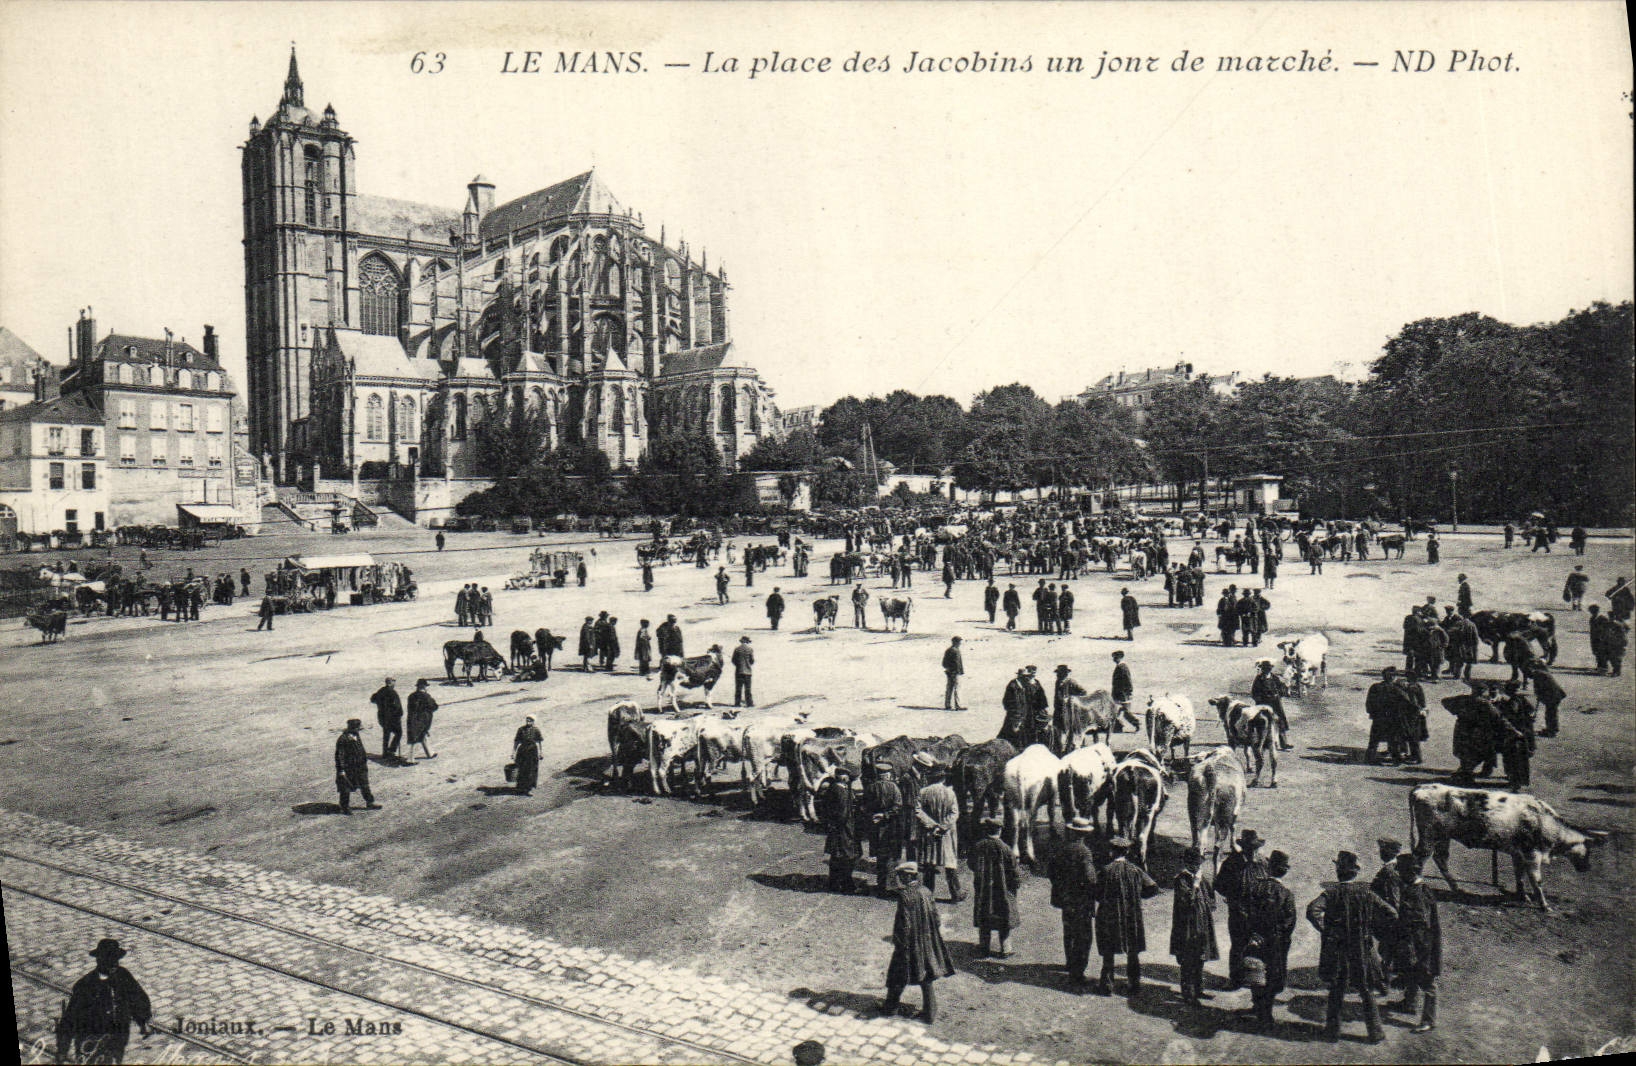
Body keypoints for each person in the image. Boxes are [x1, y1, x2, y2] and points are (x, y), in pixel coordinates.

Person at [1307, 849, 1396, 1044]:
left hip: (1338, 950)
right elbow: (1391, 913)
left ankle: (1332, 1032)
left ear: (1338, 871)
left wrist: (1326, 930)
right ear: (1355, 872)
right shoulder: (1366, 893)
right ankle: (1376, 1033)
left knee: (1337, 990)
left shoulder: (1330, 893)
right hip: (1361, 949)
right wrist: (1370, 927)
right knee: (1366, 990)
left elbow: (1312, 911)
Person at [879, 862, 956, 1024]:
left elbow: (904, 924)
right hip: (926, 941)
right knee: (926, 976)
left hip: (909, 944)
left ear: (908, 876)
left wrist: (900, 943)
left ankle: (890, 1007)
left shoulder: (905, 896)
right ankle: (930, 1013)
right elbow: (936, 918)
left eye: (901, 876)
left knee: (896, 975)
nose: (899, 879)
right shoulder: (926, 891)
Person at [57, 939, 152, 1064]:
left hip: (117, 1039)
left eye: (116, 960)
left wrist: (143, 1020)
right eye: (110, 961)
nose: (114, 965)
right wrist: (62, 1051)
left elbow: (138, 998)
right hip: (91, 1042)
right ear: (99, 960)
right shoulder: (85, 985)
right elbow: (70, 1018)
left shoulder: (123, 975)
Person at [1095, 835, 1160, 997]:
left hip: (1110, 916)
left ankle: (1107, 985)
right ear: (1127, 851)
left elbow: (1095, 891)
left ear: (1112, 852)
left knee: (1108, 952)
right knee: (1133, 951)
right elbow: (1152, 887)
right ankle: (1134, 984)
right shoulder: (1136, 871)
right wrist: (1138, 896)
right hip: (1131, 916)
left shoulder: (1105, 870)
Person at [1243, 849, 1296, 1029]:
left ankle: (1257, 1006)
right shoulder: (1286, 894)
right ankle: (1266, 1014)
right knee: (1273, 976)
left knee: (1256, 971)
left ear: (1268, 868)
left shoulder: (1255, 887)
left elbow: (1245, 911)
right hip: (1275, 943)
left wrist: (1253, 933)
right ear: (1285, 871)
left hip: (1255, 939)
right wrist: (1277, 937)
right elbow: (1289, 921)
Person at [1391, 852, 1441, 1033]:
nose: (1399, 875)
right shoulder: (1420, 889)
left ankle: (1429, 1019)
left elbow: (1420, 927)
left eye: (1401, 872)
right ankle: (1409, 1003)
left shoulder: (1417, 895)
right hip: (1417, 943)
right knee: (1411, 972)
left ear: (1410, 873)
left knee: (1427, 981)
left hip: (1421, 945)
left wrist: (1414, 951)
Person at [1049, 816, 1100, 989]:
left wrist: (1061, 887)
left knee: (1068, 931)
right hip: (1081, 901)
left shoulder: (1062, 849)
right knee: (1083, 936)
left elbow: (1052, 871)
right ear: (1084, 834)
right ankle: (1078, 973)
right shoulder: (1084, 851)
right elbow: (1089, 877)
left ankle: (1070, 963)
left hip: (1065, 899)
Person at [1217, 828, 1267, 989]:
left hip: (1258, 912)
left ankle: (1254, 977)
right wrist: (1232, 898)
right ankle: (1235, 979)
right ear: (1243, 847)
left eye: (1254, 848)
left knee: (1258, 944)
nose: (1252, 852)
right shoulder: (1231, 863)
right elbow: (1218, 885)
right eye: (1249, 848)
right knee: (1238, 945)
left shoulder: (1264, 864)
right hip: (1238, 912)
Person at [1170, 846, 1219, 1006]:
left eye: (1198, 864)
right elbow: (1186, 902)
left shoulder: (1201, 879)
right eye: (1194, 864)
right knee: (1188, 960)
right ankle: (1188, 993)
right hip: (1187, 926)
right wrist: (1196, 886)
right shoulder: (1181, 880)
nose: (1197, 867)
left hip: (1202, 925)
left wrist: (1209, 902)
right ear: (1187, 864)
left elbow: (1211, 899)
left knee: (1200, 958)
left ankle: (1198, 989)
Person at [969, 816, 1020, 956]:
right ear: (1000, 830)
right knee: (1004, 916)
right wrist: (1015, 884)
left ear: (987, 830)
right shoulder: (1006, 848)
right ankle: (1005, 948)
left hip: (984, 889)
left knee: (984, 915)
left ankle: (984, 947)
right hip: (1002, 891)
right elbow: (1014, 871)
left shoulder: (979, 846)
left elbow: (971, 864)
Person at [914, 756, 963, 901]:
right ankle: (956, 893)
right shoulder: (950, 793)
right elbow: (954, 813)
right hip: (946, 834)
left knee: (930, 863)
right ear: (943, 778)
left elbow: (918, 811)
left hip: (929, 833)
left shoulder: (923, 792)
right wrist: (942, 826)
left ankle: (929, 895)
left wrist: (932, 825)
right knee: (950, 863)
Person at [865, 761, 907, 895]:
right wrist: (885, 814)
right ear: (888, 775)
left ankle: (880, 883)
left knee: (880, 856)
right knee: (891, 856)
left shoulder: (871, 788)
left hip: (875, 827)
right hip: (891, 827)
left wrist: (874, 815)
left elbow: (864, 806)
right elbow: (898, 806)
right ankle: (890, 886)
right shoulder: (894, 788)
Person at [1369, 839, 1405, 994]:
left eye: (1382, 850)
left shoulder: (1389, 872)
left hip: (1388, 920)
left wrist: (1392, 921)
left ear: (1387, 852)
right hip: (1390, 918)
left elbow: (1394, 900)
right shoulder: (1396, 868)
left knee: (1386, 951)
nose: (1379, 852)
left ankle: (1384, 983)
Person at [818, 769, 861, 894]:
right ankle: (847, 885)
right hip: (843, 829)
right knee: (847, 856)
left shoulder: (837, 789)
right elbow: (843, 813)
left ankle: (835, 883)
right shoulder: (840, 791)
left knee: (837, 856)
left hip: (837, 828)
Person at [1365, 667, 1411, 764]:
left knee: (1374, 739)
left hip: (1378, 717)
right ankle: (1396, 760)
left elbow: (1369, 702)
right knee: (1394, 739)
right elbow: (1407, 702)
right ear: (1393, 677)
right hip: (1393, 718)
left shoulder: (1375, 687)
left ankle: (1370, 758)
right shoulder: (1397, 689)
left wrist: (1371, 713)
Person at [1498, 680, 1536, 790]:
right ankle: (1518, 779)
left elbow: (1511, 715)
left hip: (1515, 733)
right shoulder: (1521, 699)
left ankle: (1515, 781)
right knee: (1520, 757)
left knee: (1513, 757)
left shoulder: (1512, 702)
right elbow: (1531, 709)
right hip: (1524, 732)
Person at [334, 718, 377, 813]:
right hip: (348, 768)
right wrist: (341, 770)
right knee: (346, 788)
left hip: (360, 767)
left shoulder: (356, 735)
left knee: (365, 785)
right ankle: (344, 807)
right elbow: (339, 756)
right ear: (353, 728)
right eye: (358, 728)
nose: (359, 730)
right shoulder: (343, 739)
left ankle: (370, 802)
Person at [1251, 659, 1292, 750]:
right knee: (1262, 722)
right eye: (1265, 669)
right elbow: (1254, 693)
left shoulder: (1274, 678)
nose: (1267, 670)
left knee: (1280, 721)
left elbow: (1282, 688)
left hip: (1275, 703)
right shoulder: (1259, 679)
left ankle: (1284, 743)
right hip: (1263, 704)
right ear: (1262, 669)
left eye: (1268, 668)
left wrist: (1279, 694)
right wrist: (1261, 699)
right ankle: (1262, 742)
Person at [1528, 660, 1566, 737]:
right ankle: (1553, 728)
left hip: (1553, 696)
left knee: (1550, 713)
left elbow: (1539, 688)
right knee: (1552, 712)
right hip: (1555, 695)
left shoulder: (1538, 674)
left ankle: (1551, 731)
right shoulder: (1544, 672)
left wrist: (1539, 695)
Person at [370, 677, 403, 763]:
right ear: (391, 683)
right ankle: (391, 751)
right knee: (399, 733)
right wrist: (400, 714)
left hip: (382, 717)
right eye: (394, 682)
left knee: (386, 734)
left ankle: (385, 753)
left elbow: (373, 699)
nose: (395, 683)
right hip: (392, 718)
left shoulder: (381, 691)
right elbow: (397, 706)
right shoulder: (392, 693)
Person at [405, 679, 438, 761]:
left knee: (421, 736)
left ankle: (430, 753)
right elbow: (434, 706)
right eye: (426, 686)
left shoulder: (411, 696)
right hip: (422, 720)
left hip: (411, 719)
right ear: (423, 687)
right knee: (415, 739)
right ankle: (410, 760)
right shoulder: (426, 696)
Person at [512, 715, 543, 795]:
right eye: (527, 720)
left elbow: (539, 742)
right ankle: (521, 788)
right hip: (522, 751)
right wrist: (513, 752)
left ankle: (529, 788)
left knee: (531, 770)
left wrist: (541, 752)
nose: (528, 722)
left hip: (532, 752)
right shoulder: (521, 730)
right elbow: (517, 742)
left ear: (533, 721)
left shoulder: (536, 730)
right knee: (522, 769)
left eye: (530, 720)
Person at [999, 668, 1031, 746]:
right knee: (1011, 736)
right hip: (1014, 718)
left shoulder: (1022, 686)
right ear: (1020, 677)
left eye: (1027, 676)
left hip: (1021, 717)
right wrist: (1015, 715)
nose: (1027, 678)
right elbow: (1007, 702)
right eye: (1025, 676)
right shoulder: (1012, 686)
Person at [1111, 651, 1140, 732]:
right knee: (1116, 711)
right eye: (1113, 657)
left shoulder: (1122, 667)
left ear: (1120, 657)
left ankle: (1137, 723)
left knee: (1126, 712)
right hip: (1119, 693)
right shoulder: (1120, 666)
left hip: (1123, 694)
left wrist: (1129, 691)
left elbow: (1128, 680)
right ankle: (1118, 726)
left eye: (1115, 657)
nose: (1114, 659)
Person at [941, 636, 965, 711]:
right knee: (956, 688)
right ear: (955, 642)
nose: (960, 643)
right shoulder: (954, 650)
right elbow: (946, 663)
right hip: (954, 672)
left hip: (951, 672)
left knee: (949, 688)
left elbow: (944, 663)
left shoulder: (951, 650)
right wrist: (956, 671)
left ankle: (947, 705)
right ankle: (958, 705)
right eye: (959, 642)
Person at [732, 636, 755, 707]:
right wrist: (748, 664)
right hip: (748, 672)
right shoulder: (750, 649)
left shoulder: (737, 649)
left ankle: (737, 703)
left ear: (741, 641)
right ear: (747, 642)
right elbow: (752, 661)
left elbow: (733, 660)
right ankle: (749, 703)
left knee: (738, 688)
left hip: (739, 671)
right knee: (748, 689)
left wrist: (738, 665)